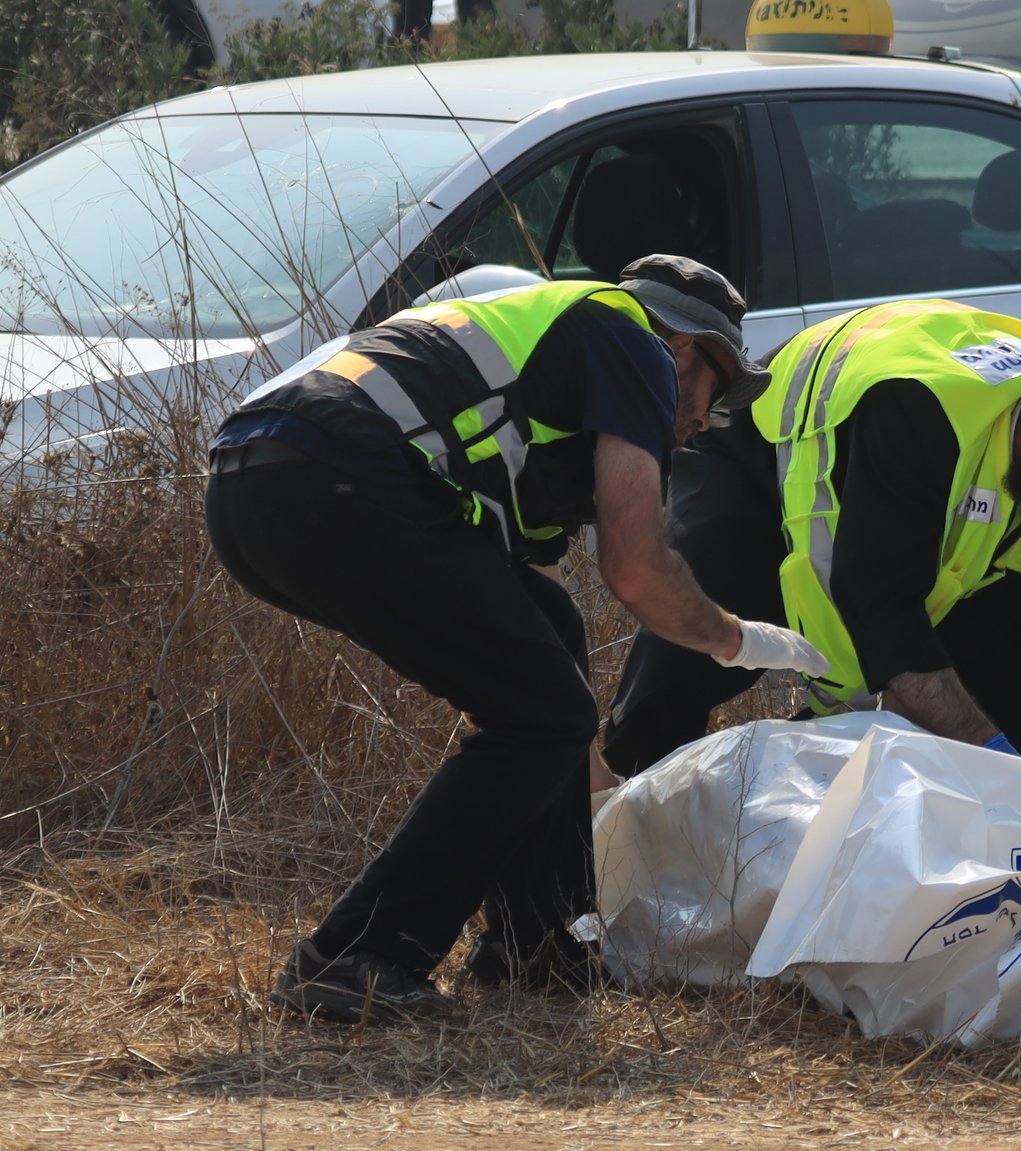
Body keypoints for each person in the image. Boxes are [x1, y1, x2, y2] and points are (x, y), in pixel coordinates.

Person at [205, 255, 827, 1024]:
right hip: (333, 474)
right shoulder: (632, 344)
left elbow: (506, 574)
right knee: (546, 712)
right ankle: (357, 954)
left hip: (254, 479)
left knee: (552, 638)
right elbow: (636, 568)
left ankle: (541, 946)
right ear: (683, 348)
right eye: (712, 391)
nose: (704, 420)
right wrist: (734, 637)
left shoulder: (550, 335)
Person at [599, 300, 1021, 794]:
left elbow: (1010, 613)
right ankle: (621, 813)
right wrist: (991, 749)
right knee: (691, 648)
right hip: (762, 452)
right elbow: (879, 609)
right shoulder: (919, 419)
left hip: (927, 448)